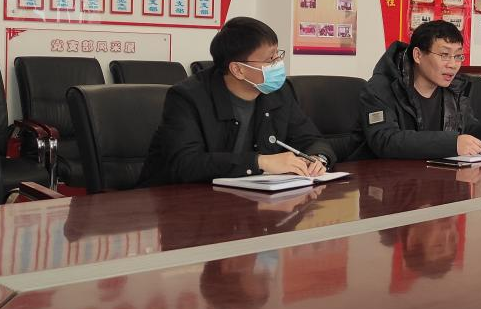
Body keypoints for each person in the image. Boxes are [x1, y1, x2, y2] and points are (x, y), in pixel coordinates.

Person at [140, 17, 336, 186]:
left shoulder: (278, 92)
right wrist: (260, 162)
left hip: (253, 198)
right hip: (183, 202)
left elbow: (311, 139)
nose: (278, 63)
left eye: (278, 54)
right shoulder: (187, 97)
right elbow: (186, 164)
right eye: (270, 59)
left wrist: (318, 158)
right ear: (238, 69)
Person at [356, 20, 481, 159]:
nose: (453, 65)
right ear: (418, 55)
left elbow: (467, 129)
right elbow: (385, 140)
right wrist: (452, 144)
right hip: (389, 182)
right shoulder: (381, 88)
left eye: (458, 56)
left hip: (438, 179)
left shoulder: (454, 89)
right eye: (444, 55)